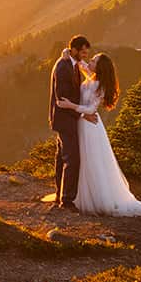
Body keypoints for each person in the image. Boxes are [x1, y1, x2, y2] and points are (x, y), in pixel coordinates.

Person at [54, 51, 141, 217]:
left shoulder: (100, 85)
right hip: (82, 122)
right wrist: (66, 54)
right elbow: (81, 64)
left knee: (91, 161)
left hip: (90, 128)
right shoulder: (92, 77)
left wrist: (71, 106)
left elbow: (91, 109)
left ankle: (93, 198)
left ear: (99, 67)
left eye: (94, 60)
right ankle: (75, 195)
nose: (89, 61)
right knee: (81, 160)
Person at [48, 35, 94, 211]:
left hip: (65, 119)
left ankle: (60, 195)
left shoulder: (72, 64)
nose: (84, 55)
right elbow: (62, 98)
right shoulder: (63, 66)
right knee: (72, 159)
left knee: (62, 158)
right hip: (65, 119)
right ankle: (67, 200)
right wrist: (82, 114)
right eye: (82, 51)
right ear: (74, 50)